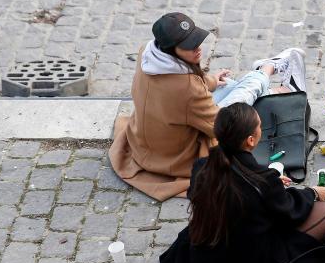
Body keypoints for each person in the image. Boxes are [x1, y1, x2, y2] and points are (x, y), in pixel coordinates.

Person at [109, 11, 306, 201]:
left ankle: (275, 89)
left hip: (147, 139)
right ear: (171, 49)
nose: (197, 48)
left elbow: (182, 81)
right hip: (175, 157)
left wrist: (211, 81)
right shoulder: (187, 89)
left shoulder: (148, 52)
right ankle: (266, 71)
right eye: (189, 46)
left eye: (196, 40)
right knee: (242, 105)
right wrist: (260, 177)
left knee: (230, 85)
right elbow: (221, 126)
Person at [160, 103, 325, 263]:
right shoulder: (263, 180)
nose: (261, 130)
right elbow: (289, 211)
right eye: (260, 126)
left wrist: (267, 185)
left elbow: (228, 188)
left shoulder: (202, 166)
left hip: (208, 259)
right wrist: (312, 192)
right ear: (251, 140)